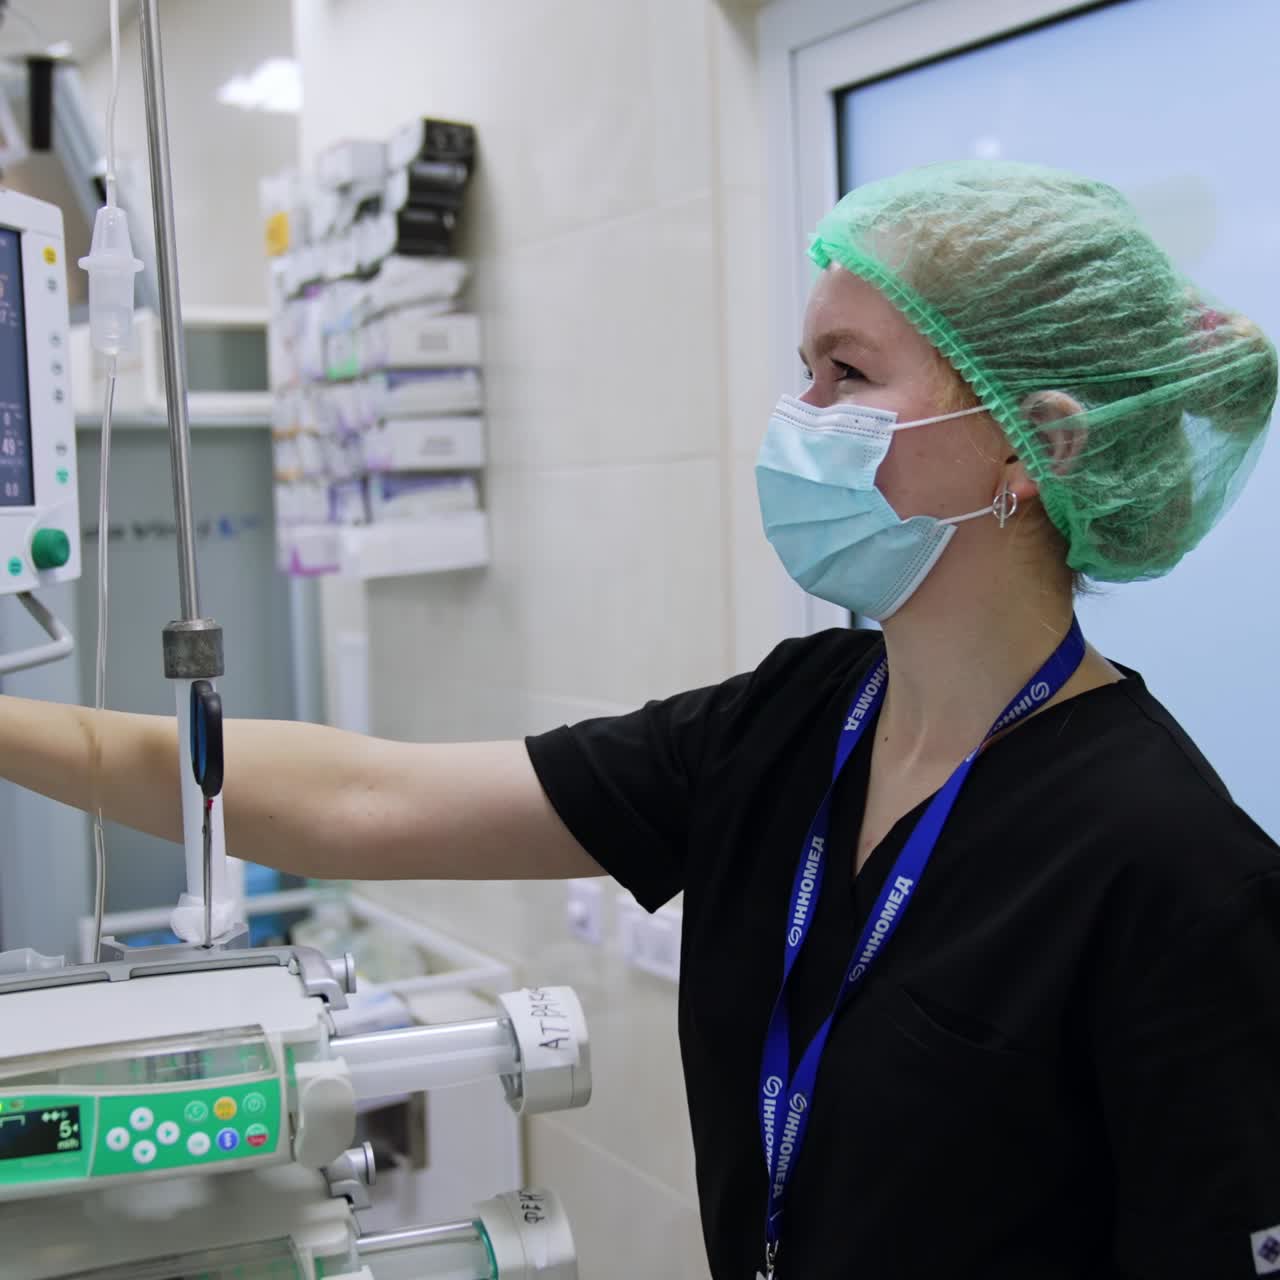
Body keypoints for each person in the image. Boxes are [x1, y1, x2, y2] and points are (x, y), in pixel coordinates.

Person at [1, 160, 1278, 1279]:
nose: (798, 419)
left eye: (847, 373)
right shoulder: (799, 718)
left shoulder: (1171, 868)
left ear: (1031, 445)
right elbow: (360, 801)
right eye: (802, 370)